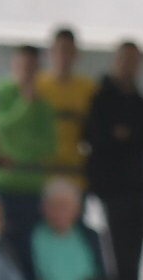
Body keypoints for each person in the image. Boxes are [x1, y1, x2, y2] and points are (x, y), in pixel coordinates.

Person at [84, 41, 143, 280]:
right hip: (105, 192)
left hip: (136, 192)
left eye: (134, 60)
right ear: (114, 61)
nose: (129, 66)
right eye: (124, 59)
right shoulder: (99, 100)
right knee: (106, 259)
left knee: (132, 261)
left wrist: (124, 137)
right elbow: (95, 136)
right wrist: (124, 138)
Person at [0, 43, 57, 249]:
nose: (27, 73)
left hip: (30, 188)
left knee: (26, 249)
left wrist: (17, 155)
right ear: (13, 65)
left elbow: (49, 147)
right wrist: (25, 105)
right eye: (23, 66)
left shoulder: (44, 105)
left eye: (32, 68)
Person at [31, 179, 105, 280]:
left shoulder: (89, 237)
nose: (59, 211)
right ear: (43, 207)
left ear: (77, 209)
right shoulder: (32, 238)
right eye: (54, 205)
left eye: (65, 206)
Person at [40, 27, 96, 189]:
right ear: (51, 52)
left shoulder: (88, 89)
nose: (64, 57)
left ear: (76, 54)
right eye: (60, 50)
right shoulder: (38, 86)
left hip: (74, 171)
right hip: (42, 170)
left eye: (68, 51)